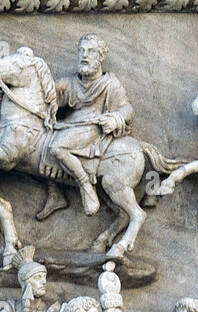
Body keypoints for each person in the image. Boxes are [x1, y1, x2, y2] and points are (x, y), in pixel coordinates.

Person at [47, 34, 133, 216]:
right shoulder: (68, 83)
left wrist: (114, 118)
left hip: (93, 127)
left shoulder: (110, 84)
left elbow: (127, 109)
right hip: (69, 126)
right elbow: (46, 98)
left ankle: (85, 184)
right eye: (81, 51)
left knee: (57, 148)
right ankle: (55, 194)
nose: (84, 55)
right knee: (40, 144)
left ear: (101, 57)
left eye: (91, 51)